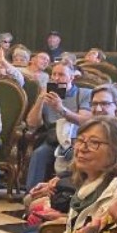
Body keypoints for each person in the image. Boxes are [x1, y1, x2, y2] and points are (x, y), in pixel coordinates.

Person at [23, 61, 91, 189]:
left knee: (73, 156)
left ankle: (67, 192)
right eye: (53, 74)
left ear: (71, 77)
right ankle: (31, 193)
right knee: (39, 153)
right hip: (53, 138)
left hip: (75, 138)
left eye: (61, 74)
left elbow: (84, 121)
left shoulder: (84, 93)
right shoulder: (48, 95)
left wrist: (61, 109)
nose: (56, 78)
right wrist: (40, 101)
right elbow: (32, 124)